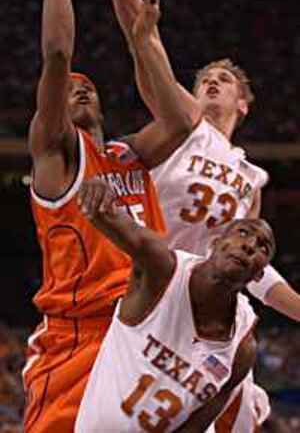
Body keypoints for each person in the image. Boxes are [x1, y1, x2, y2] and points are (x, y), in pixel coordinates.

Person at [83, 0, 300, 429]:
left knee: (242, 411)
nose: (211, 83)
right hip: (149, 288)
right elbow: (144, 41)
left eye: (224, 79)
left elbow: (255, 268)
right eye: (204, 77)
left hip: (206, 306)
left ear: (243, 104)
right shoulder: (185, 125)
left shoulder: (251, 180)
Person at [15, 0, 192, 433]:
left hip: (147, 325)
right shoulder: (58, 155)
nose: (81, 89)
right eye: (71, 90)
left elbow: (180, 122)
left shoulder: (128, 154)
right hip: (81, 334)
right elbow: (56, 56)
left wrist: (143, 40)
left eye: (89, 87)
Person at [75, 176, 275, 433]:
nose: (249, 245)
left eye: (262, 247)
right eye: (243, 233)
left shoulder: (242, 349)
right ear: (214, 244)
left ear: (259, 275)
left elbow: (198, 425)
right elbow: (107, 216)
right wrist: (94, 189)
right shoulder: (163, 271)